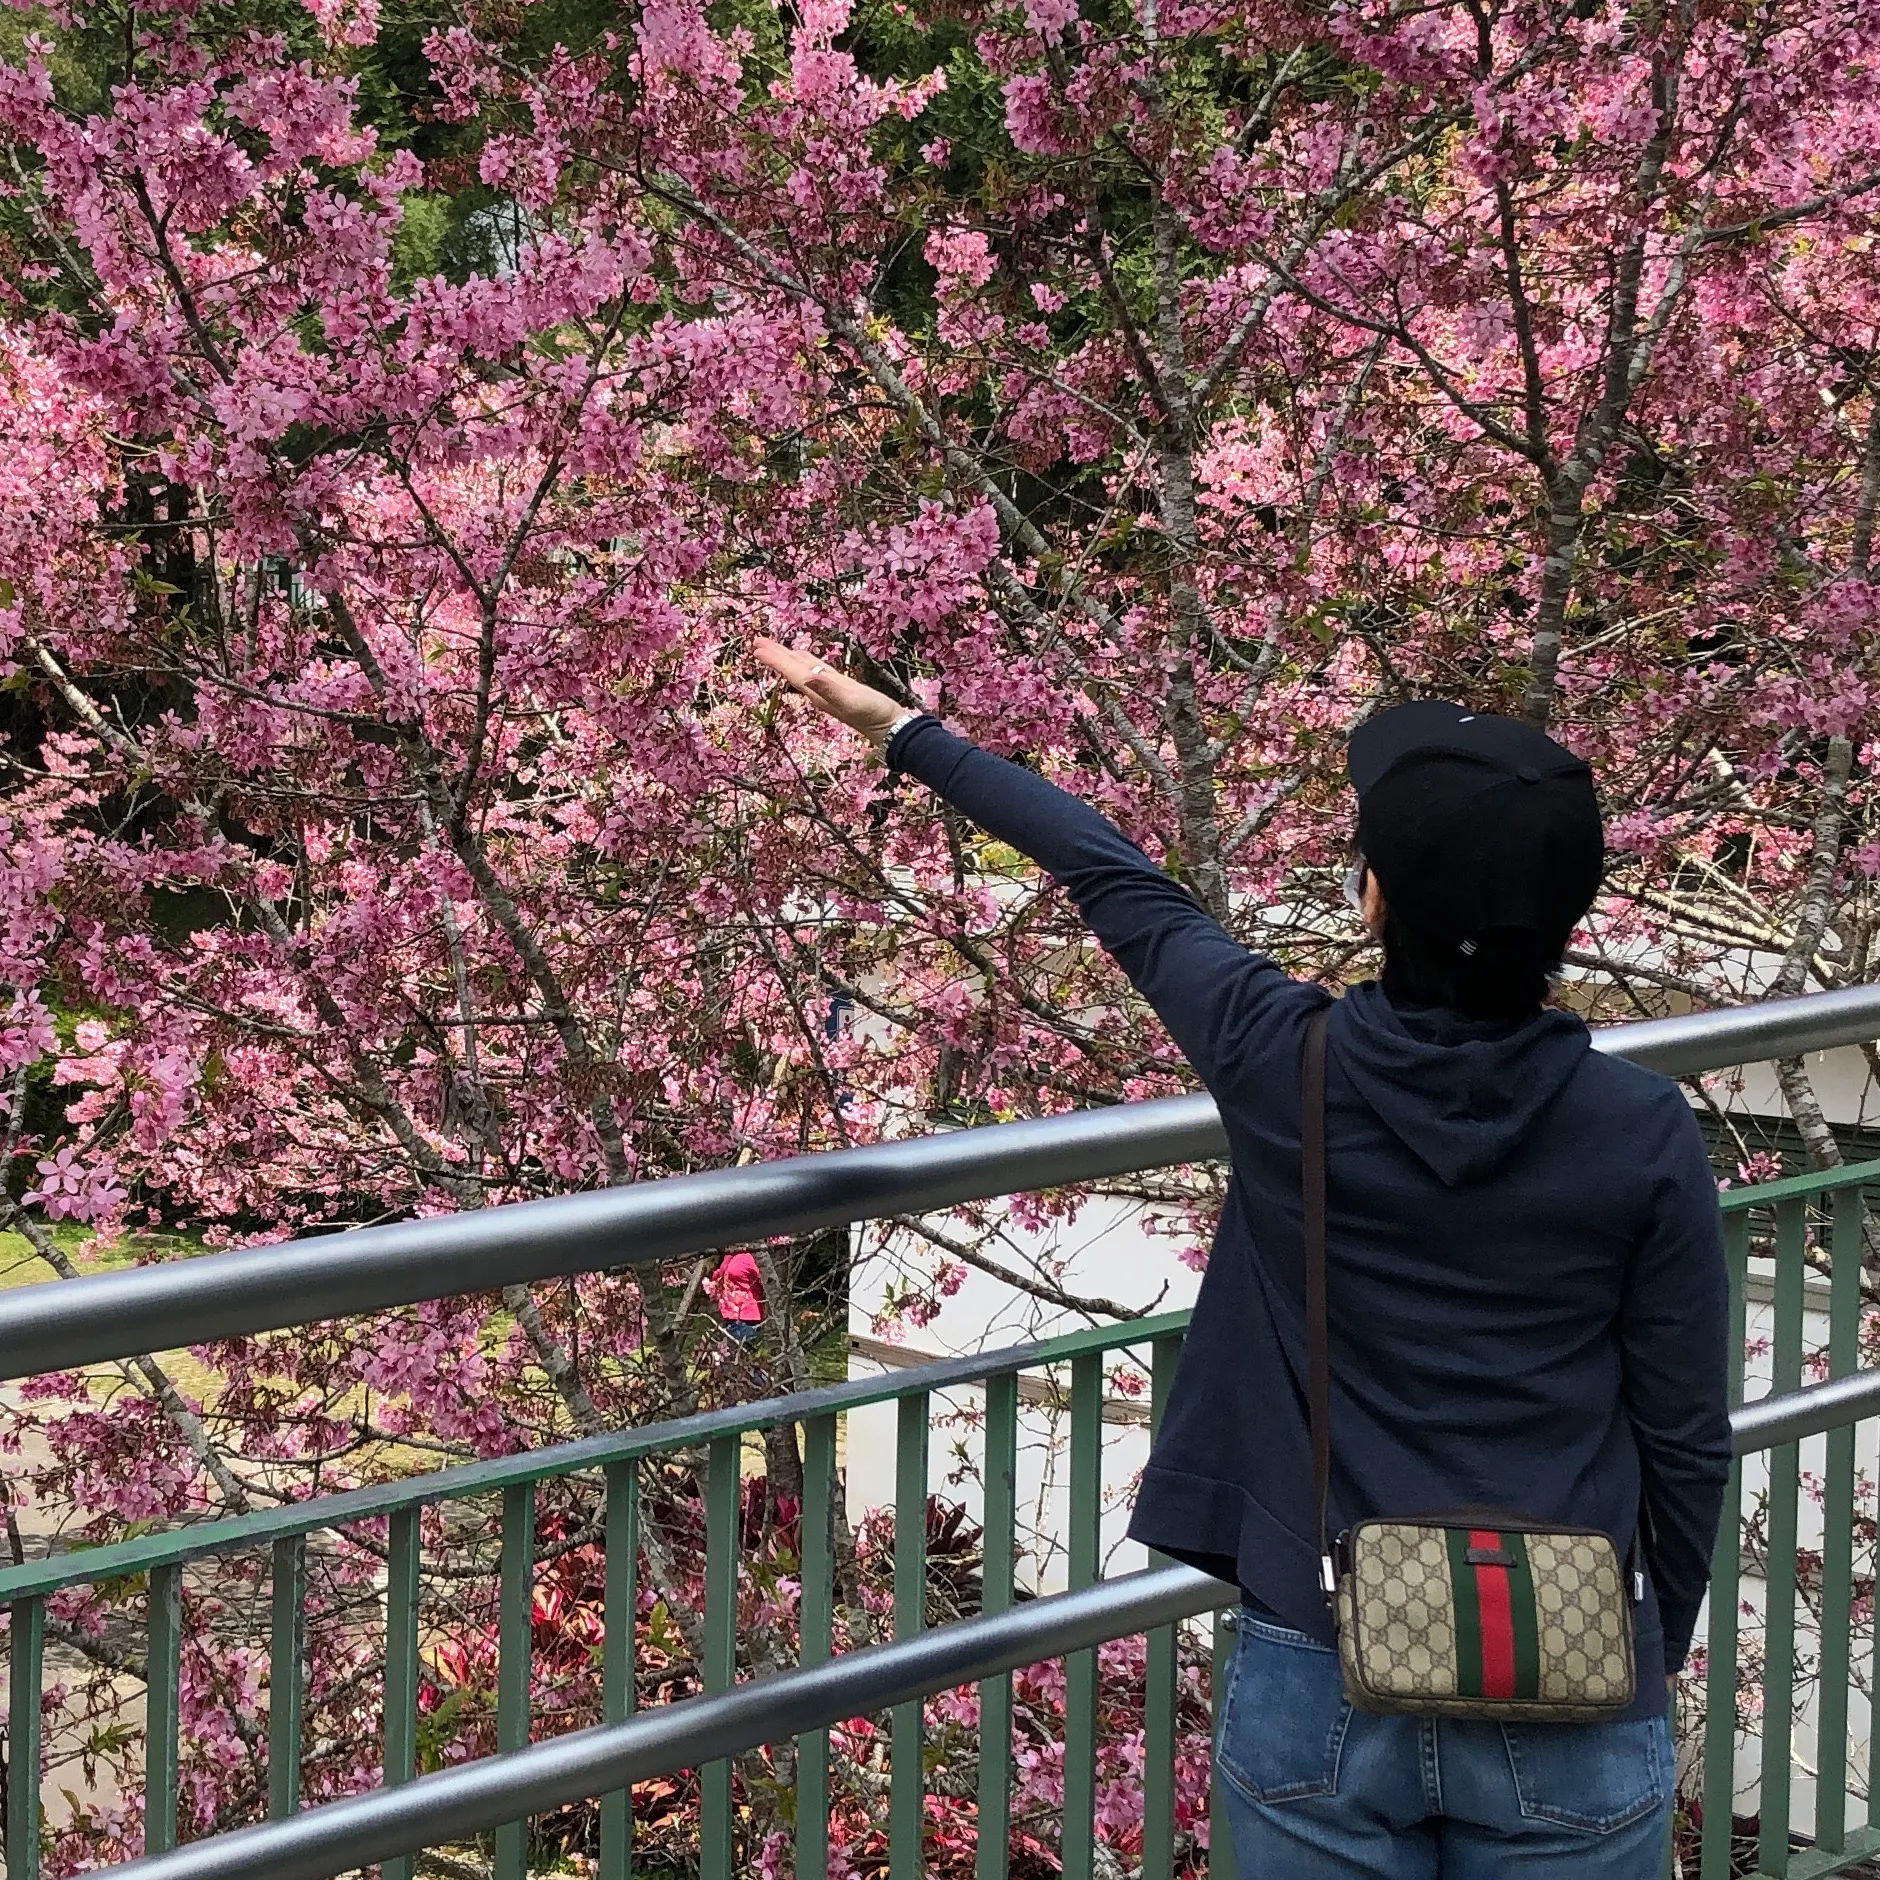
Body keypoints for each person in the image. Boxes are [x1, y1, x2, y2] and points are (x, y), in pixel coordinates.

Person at [754, 638, 1732, 1879]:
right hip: (1570, 1661)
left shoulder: (1285, 1063)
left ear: (1374, 899)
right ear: (1566, 924)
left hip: (1319, 1654)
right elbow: (1687, 1436)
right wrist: (1645, 1646)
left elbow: (1110, 874)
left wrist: (905, 729)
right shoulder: (1643, 1132)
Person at [708, 1248, 764, 1348]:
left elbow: (764, 1281)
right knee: (729, 1357)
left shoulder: (749, 1257)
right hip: (730, 1317)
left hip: (747, 1318)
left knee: (742, 1358)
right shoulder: (729, 1255)